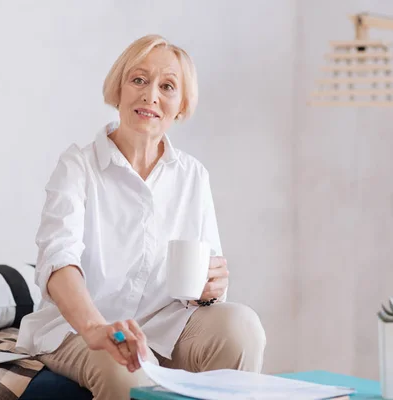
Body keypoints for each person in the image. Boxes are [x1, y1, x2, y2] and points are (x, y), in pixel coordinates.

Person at [16, 34, 266, 400]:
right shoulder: (78, 166)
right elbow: (58, 261)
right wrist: (97, 329)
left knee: (242, 326)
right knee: (125, 368)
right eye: (138, 80)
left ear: (180, 105)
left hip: (167, 324)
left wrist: (212, 287)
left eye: (167, 86)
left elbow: (207, 277)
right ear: (118, 89)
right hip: (77, 329)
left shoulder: (193, 175)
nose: (150, 95)